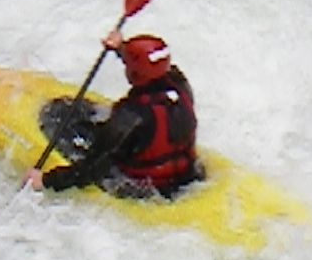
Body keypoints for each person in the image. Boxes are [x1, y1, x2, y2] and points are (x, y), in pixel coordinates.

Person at [24, 30, 203, 198]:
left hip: (145, 191)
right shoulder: (180, 84)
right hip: (187, 178)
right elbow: (150, 66)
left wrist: (46, 181)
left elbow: (91, 170)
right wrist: (121, 48)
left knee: (59, 119)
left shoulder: (130, 115)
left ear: (134, 73)